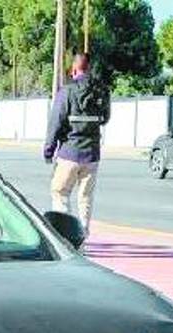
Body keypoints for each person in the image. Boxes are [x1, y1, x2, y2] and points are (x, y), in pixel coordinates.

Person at [44, 53, 111, 235]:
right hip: (92, 155)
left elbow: (55, 122)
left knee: (60, 193)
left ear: (74, 69)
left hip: (69, 154)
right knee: (86, 198)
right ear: (88, 68)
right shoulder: (102, 90)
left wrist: (48, 150)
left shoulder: (66, 91)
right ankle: (83, 237)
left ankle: (65, 235)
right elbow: (105, 119)